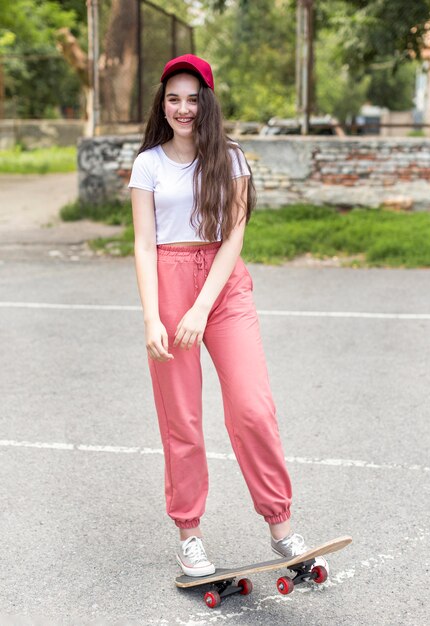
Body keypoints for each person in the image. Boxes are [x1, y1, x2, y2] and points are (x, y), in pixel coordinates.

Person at [128, 54, 319, 577]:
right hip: (167, 282)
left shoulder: (230, 158)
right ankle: (189, 534)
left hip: (223, 285)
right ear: (161, 103)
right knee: (183, 419)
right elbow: (145, 244)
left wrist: (202, 306)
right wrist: (153, 317)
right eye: (173, 98)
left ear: (206, 102)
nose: (182, 108)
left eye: (192, 98)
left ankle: (280, 525)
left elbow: (234, 234)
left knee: (253, 407)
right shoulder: (147, 163)